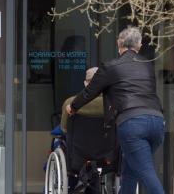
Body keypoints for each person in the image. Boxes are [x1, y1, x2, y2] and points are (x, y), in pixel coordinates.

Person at [66, 27, 164, 194]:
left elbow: (90, 91)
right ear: (139, 45)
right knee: (130, 170)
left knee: (146, 172)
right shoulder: (147, 66)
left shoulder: (110, 66)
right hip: (157, 122)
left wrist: (73, 106)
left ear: (119, 44)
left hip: (132, 123)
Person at [60, 67, 103, 133]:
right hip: (106, 142)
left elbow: (63, 129)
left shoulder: (69, 102)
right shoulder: (114, 102)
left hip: (76, 142)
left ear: (85, 83)